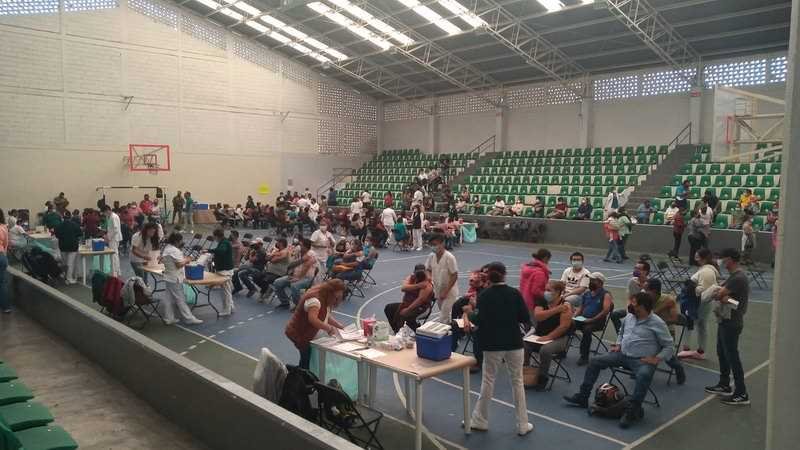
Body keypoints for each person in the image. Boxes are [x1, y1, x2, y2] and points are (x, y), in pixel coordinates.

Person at [564, 292, 674, 428]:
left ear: (643, 307)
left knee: (644, 374)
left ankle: (632, 410)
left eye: (634, 303)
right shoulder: (629, 317)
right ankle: (583, 397)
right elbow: (621, 332)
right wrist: (618, 344)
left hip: (642, 360)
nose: (630, 305)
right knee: (595, 361)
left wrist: (657, 358)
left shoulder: (657, 323)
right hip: (622, 354)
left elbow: (669, 346)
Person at [469, 262, 533, 436]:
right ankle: (523, 424)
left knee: (488, 381)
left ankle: (480, 420)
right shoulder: (514, 293)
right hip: (514, 343)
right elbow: (524, 317)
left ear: (488, 276)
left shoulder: (485, 295)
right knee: (517, 382)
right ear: (505, 275)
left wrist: (470, 312)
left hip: (492, 344)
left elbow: (478, 320)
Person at [704, 248, 750, 405]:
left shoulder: (738, 278)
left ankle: (741, 393)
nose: (720, 261)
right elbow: (721, 293)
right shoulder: (733, 276)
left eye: (722, 258)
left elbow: (721, 295)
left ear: (729, 259)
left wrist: (723, 297)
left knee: (732, 357)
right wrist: (722, 296)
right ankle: (724, 384)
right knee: (722, 353)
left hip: (732, 323)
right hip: (725, 320)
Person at [285, 279, 347, 369]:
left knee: (307, 359)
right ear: (331, 293)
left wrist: (338, 325)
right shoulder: (315, 301)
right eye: (336, 298)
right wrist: (329, 328)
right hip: (299, 334)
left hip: (305, 333)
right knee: (306, 359)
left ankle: (299, 370)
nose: (336, 301)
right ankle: (297, 372)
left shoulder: (324, 294)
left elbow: (325, 315)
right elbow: (313, 319)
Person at [525, 280, 573, 391]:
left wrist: (549, 337)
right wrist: (556, 309)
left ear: (558, 292)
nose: (546, 292)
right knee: (524, 346)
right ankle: (526, 372)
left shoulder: (566, 305)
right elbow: (538, 316)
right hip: (539, 335)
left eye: (549, 290)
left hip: (559, 338)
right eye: (545, 290)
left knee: (545, 350)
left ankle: (542, 378)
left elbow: (564, 326)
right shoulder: (542, 301)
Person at [679, 248, 720, 360]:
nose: (695, 257)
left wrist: (691, 287)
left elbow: (703, 290)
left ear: (704, 258)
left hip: (698, 303)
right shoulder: (706, 270)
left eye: (697, 256)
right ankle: (700, 350)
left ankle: (686, 349)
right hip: (701, 302)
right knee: (701, 326)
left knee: (689, 324)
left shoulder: (707, 272)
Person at [645, 279, 686, 384]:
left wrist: (658, 322)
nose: (644, 292)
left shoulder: (668, 300)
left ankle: (678, 367)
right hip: (650, 331)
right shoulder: (646, 299)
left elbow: (674, 319)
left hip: (666, 332)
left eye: (647, 290)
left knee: (667, 355)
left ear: (654, 291)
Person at [159, 232, 203, 325]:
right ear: (176, 241)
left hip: (169, 276)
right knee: (180, 299)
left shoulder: (167, 248)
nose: (182, 242)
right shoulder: (175, 250)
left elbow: (172, 261)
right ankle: (189, 318)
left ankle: (169, 318)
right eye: (181, 240)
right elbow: (179, 265)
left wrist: (185, 259)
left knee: (168, 299)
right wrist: (188, 259)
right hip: (175, 278)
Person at [574, 272, 613, 365]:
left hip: (597, 322)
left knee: (587, 329)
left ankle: (584, 356)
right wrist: (574, 316)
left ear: (600, 282)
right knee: (568, 324)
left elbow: (605, 311)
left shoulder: (606, 295)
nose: (590, 282)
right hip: (583, 318)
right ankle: (562, 350)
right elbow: (581, 307)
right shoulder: (587, 293)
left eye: (593, 280)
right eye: (590, 280)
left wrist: (592, 320)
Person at [384, 264, 433, 332]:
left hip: (421, 307)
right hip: (408, 303)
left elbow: (420, 300)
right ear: (414, 272)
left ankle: (416, 331)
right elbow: (403, 288)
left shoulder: (427, 284)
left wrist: (407, 310)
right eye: (417, 273)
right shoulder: (411, 278)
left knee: (405, 316)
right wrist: (418, 286)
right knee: (389, 308)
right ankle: (397, 330)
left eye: (420, 273)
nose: (418, 275)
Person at [273, 238, 316, 308]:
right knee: (277, 282)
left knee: (294, 286)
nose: (299, 246)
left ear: (306, 246)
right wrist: (291, 273)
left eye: (301, 245)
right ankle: (285, 302)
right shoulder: (298, 252)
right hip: (295, 275)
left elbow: (306, 267)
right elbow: (292, 263)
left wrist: (298, 278)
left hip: (306, 278)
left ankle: (299, 306)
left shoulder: (311, 253)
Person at [425, 234, 459, 323]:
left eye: (435, 244)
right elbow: (428, 269)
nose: (433, 247)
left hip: (449, 292)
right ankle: (450, 328)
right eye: (431, 245)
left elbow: (454, 275)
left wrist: (446, 291)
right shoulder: (431, 256)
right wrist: (429, 278)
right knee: (445, 315)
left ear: (442, 244)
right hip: (438, 290)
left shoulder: (449, 257)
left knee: (443, 317)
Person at [612, 260, 652, 334]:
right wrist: (629, 312)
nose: (635, 270)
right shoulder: (632, 281)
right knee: (614, 314)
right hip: (633, 308)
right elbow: (630, 298)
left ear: (645, 272)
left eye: (638, 269)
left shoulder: (651, 283)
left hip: (646, 311)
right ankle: (621, 336)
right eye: (635, 268)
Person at [208, 228, 235, 316]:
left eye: (214, 236)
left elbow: (221, 251)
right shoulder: (224, 242)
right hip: (226, 269)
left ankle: (227, 310)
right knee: (227, 290)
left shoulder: (224, 243)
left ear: (216, 236)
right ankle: (231, 307)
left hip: (225, 270)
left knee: (225, 291)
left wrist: (209, 250)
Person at [53, 211, 82, 285]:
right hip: (73, 246)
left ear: (63, 217)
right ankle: (69, 278)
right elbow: (80, 234)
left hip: (63, 246)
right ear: (70, 217)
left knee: (64, 262)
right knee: (70, 263)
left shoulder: (59, 225)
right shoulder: (75, 225)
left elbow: (56, 235)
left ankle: (64, 276)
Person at [519, 249, 551, 314]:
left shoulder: (528, 267)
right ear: (545, 258)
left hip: (523, 299)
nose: (548, 262)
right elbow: (536, 290)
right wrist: (547, 295)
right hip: (533, 303)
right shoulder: (540, 273)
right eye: (548, 260)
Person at [102, 205, 122, 277]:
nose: (104, 214)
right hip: (112, 238)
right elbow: (110, 228)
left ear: (107, 210)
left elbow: (115, 230)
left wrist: (108, 237)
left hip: (114, 238)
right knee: (114, 255)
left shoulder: (114, 217)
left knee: (114, 255)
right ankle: (116, 271)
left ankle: (115, 272)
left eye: (104, 212)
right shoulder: (110, 216)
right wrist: (107, 236)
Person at [0, 209, 8, 313]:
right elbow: (6, 243)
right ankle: (6, 307)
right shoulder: (3, 227)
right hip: (1, 256)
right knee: (2, 282)